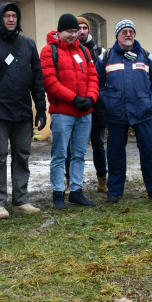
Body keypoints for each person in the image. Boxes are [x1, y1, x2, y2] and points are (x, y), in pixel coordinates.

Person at [0, 2, 47, 220]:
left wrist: (40, 108)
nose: (11, 19)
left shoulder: (28, 44)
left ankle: (21, 200)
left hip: (22, 111)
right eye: (7, 16)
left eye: (14, 16)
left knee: (22, 156)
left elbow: (37, 80)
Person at [96, 19, 152, 203]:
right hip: (116, 113)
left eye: (131, 31)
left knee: (151, 153)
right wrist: (108, 101)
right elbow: (97, 84)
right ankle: (114, 192)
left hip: (142, 112)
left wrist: (151, 99)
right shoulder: (105, 58)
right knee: (115, 155)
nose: (128, 34)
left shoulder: (146, 56)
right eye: (124, 31)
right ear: (117, 35)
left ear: (134, 34)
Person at [41, 13, 99, 209]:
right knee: (59, 154)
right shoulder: (49, 51)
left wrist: (90, 98)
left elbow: (93, 78)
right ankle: (58, 192)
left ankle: (76, 191)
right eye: (69, 31)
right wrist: (74, 98)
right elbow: (50, 82)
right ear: (59, 31)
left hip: (84, 112)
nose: (74, 35)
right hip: (63, 112)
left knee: (79, 154)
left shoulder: (83, 51)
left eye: (76, 31)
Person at [72, 16, 107, 193]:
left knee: (98, 144)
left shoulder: (100, 52)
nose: (82, 31)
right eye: (78, 28)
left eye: (85, 28)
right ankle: (71, 182)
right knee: (74, 147)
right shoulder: (70, 50)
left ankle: (102, 181)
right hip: (76, 106)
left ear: (89, 30)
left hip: (98, 107)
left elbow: (105, 78)